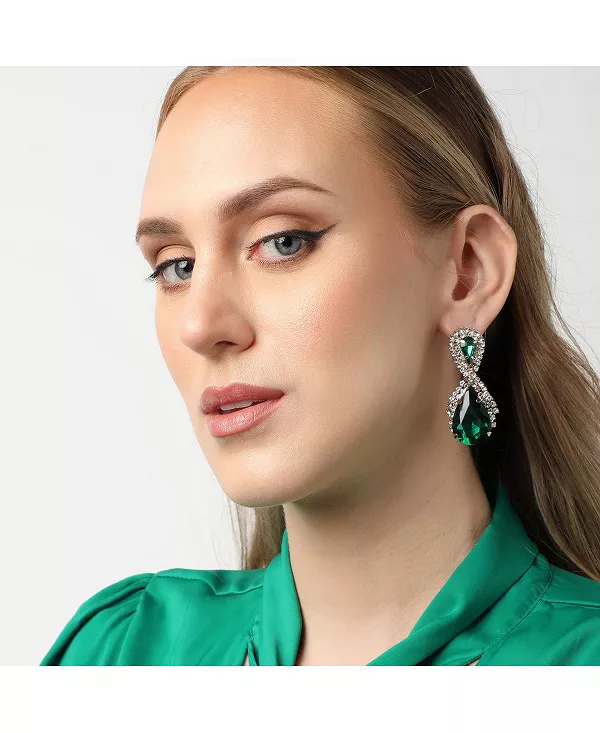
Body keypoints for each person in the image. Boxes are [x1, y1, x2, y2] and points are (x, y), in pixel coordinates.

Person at [40, 66, 600, 666]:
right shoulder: (122, 652)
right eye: (176, 266)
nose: (199, 326)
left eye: (283, 240)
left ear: (468, 270)